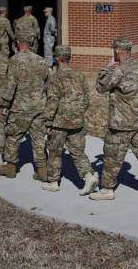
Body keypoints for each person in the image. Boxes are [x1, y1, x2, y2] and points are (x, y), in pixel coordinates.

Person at [89, 37, 138, 201]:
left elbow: (100, 87)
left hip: (121, 125)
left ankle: (107, 189)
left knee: (112, 156)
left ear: (117, 51)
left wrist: (108, 67)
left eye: (114, 50)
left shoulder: (119, 70)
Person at [43, 45, 98, 194]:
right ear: (69, 58)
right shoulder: (80, 76)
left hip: (59, 123)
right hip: (77, 122)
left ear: (57, 58)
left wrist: (48, 121)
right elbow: (86, 99)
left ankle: (53, 182)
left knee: (54, 151)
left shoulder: (55, 77)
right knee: (78, 152)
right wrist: (79, 112)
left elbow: (52, 100)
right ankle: (89, 177)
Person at [0, 35, 50, 179]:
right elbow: (47, 85)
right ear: (31, 44)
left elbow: (10, 85)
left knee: (13, 136)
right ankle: (42, 170)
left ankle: (10, 167)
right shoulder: (42, 61)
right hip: (39, 107)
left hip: (20, 107)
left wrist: (5, 105)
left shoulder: (14, 60)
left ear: (18, 43)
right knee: (39, 138)